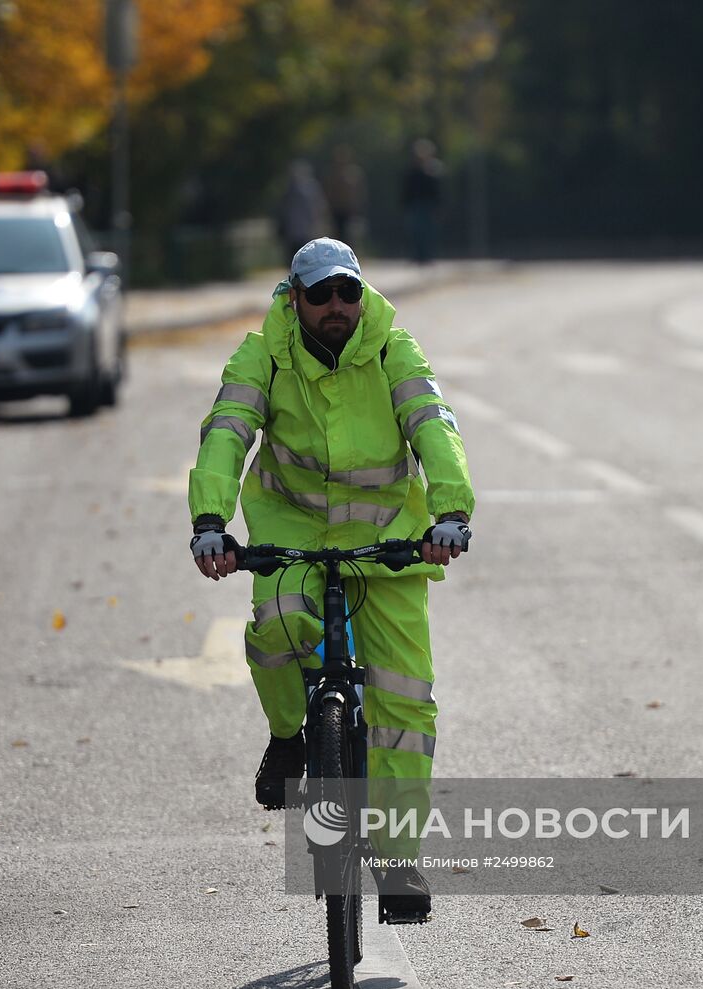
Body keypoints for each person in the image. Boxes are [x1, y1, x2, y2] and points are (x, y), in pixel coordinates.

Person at [188, 238, 475, 920]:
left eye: (347, 290)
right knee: (277, 627)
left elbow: (434, 424)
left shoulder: (392, 348)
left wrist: (451, 510)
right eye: (319, 294)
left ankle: (399, 862)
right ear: (294, 299)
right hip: (292, 532)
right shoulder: (261, 353)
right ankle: (290, 736)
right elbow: (226, 430)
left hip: (389, 543)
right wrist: (208, 520)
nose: (336, 306)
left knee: (404, 702)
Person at [276, 160, 328, 267]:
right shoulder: (288, 188)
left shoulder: (311, 187)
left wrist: (318, 222)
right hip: (293, 227)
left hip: (306, 227)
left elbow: (318, 206)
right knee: (293, 254)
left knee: (305, 253)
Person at [401, 139, 444, 264]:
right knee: (415, 231)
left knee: (428, 232)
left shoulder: (433, 170)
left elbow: (437, 190)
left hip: (428, 205)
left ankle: (427, 256)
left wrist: (439, 206)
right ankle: (417, 256)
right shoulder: (411, 170)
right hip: (414, 205)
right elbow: (406, 189)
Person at [324, 145, 368, 242]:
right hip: (336, 210)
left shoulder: (353, 173)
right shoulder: (332, 174)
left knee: (351, 235)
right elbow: (328, 192)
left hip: (350, 210)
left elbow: (359, 192)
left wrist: (358, 206)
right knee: (337, 236)